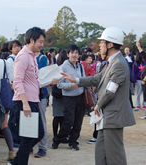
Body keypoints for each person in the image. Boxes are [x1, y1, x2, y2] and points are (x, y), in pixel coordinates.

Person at [62, 27, 136, 165]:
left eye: (102, 42)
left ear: (110, 44)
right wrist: (76, 80)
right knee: (101, 153)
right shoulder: (111, 62)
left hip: (113, 116)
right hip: (107, 116)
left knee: (115, 155)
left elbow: (110, 91)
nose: (100, 45)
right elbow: (96, 79)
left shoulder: (119, 64)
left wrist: (98, 105)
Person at [9, 27, 58, 165]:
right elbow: (17, 81)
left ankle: (16, 162)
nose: (42, 45)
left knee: (37, 135)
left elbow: (33, 81)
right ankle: (18, 162)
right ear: (31, 40)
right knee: (28, 138)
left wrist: (49, 83)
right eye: (40, 42)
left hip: (32, 101)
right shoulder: (23, 56)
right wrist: (25, 103)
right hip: (25, 102)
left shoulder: (31, 56)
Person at [52, 44, 86, 151]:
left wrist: (82, 84)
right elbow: (59, 85)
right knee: (69, 121)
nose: (75, 55)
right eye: (72, 53)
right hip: (69, 98)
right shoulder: (63, 67)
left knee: (78, 121)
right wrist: (71, 85)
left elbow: (83, 80)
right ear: (68, 54)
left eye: (76, 53)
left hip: (80, 97)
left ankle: (73, 142)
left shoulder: (80, 66)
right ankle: (57, 139)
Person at [52, 49, 68, 139]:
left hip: (56, 93)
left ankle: (55, 135)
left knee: (56, 116)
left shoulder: (57, 67)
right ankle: (61, 136)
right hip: (64, 93)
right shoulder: (66, 67)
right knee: (62, 116)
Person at [34, 51, 48, 158]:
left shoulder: (42, 59)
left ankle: (43, 147)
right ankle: (29, 145)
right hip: (29, 94)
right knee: (30, 121)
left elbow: (40, 76)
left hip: (40, 95)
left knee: (41, 121)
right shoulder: (27, 56)